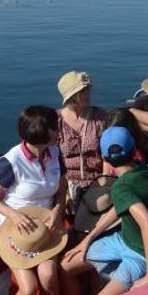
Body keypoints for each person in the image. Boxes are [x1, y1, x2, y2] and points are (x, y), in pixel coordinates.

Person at [60, 126, 148, 295]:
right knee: (65, 266)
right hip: (123, 240)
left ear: (104, 157)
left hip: (140, 255)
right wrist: (89, 239)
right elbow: (120, 208)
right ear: (133, 151)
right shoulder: (142, 169)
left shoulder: (121, 187)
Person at [0, 106, 67, 295]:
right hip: (16, 229)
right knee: (28, 290)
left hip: (45, 227)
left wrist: (58, 208)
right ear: (41, 131)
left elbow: (62, 187)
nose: (59, 132)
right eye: (55, 128)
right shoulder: (11, 161)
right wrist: (14, 215)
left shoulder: (56, 154)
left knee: (49, 276)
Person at [57, 71, 107, 211]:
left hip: (97, 181)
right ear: (71, 96)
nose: (88, 93)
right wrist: (63, 193)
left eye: (88, 89)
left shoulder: (100, 117)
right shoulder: (56, 121)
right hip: (65, 184)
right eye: (83, 91)